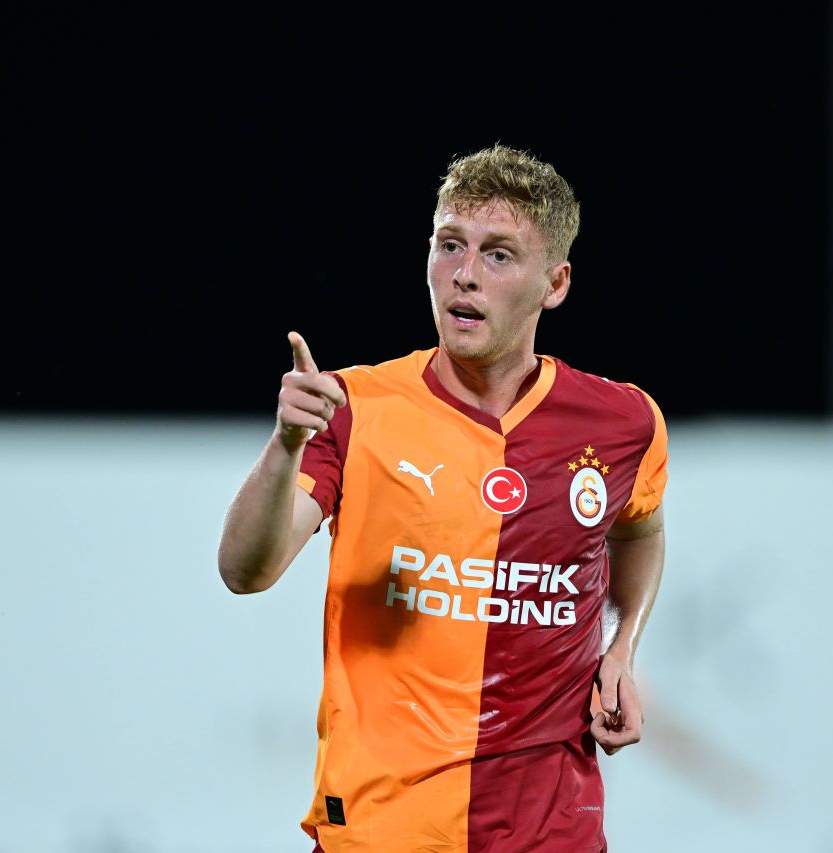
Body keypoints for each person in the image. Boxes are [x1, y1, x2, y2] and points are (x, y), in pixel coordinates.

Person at [217, 145, 668, 852]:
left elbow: (639, 531)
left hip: (552, 834)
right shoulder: (354, 408)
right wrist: (286, 443)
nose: (464, 273)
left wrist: (621, 647)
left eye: (498, 254)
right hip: (381, 832)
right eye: (450, 244)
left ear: (555, 284)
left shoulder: (623, 424)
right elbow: (245, 571)